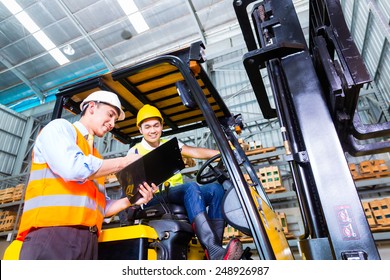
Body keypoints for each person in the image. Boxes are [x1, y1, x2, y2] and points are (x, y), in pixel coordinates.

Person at [16, 90, 157, 260]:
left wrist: (133, 199)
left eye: (114, 120)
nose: (112, 124)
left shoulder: (96, 158)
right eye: (110, 115)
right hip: (53, 234)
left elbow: (101, 208)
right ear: (91, 107)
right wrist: (125, 162)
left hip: (88, 240)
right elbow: (72, 168)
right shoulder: (59, 128)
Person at [126, 104, 243, 260]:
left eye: (156, 125)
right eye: (147, 127)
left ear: (161, 126)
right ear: (140, 130)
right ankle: (212, 247)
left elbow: (194, 151)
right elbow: (131, 186)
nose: (152, 130)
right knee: (191, 187)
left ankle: (215, 250)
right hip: (151, 197)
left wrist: (225, 154)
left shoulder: (169, 144)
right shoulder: (135, 152)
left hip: (175, 193)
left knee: (216, 189)